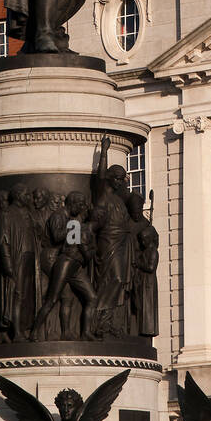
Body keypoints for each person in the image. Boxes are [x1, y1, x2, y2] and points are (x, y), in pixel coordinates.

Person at [30, 192, 97, 341]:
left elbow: (78, 244)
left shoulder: (72, 220)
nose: (80, 209)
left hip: (71, 262)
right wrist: (74, 229)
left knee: (71, 297)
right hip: (53, 258)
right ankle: (34, 331)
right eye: (79, 205)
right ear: (72, 203)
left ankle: (69, 332)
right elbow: (57, 236)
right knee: (53, 298)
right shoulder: (59, 216)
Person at [88, 144, 136, 338]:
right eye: (117, 178)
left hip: (121, 244)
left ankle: (108, 323)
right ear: (110, 178)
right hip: (108, 243)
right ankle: (99, 322)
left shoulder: (118, 199)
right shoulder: (103, 194)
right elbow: (100, 174)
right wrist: (105, 152)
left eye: (122, 178)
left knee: (119, 282)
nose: (120, 182)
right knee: (112, 279)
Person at [0, 185, 39, 341]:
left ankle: (27, 327)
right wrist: (8, 265)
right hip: (17, 259)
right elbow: (2, 242)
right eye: (27, 194)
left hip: (30, 257)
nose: (29, 198)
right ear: (18, 195)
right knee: (17, 295)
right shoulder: (7, 214)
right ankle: (17, 331)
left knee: (28, 295)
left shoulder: (28, 213)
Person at [126, 192, 159, 338]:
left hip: (139, 266)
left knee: (140, 302)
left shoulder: (145, 224)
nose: (136, 213)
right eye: (133, 210)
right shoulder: (126, 223)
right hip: (129, 263)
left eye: (138, 210)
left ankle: (138, 329)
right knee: (132, 299)